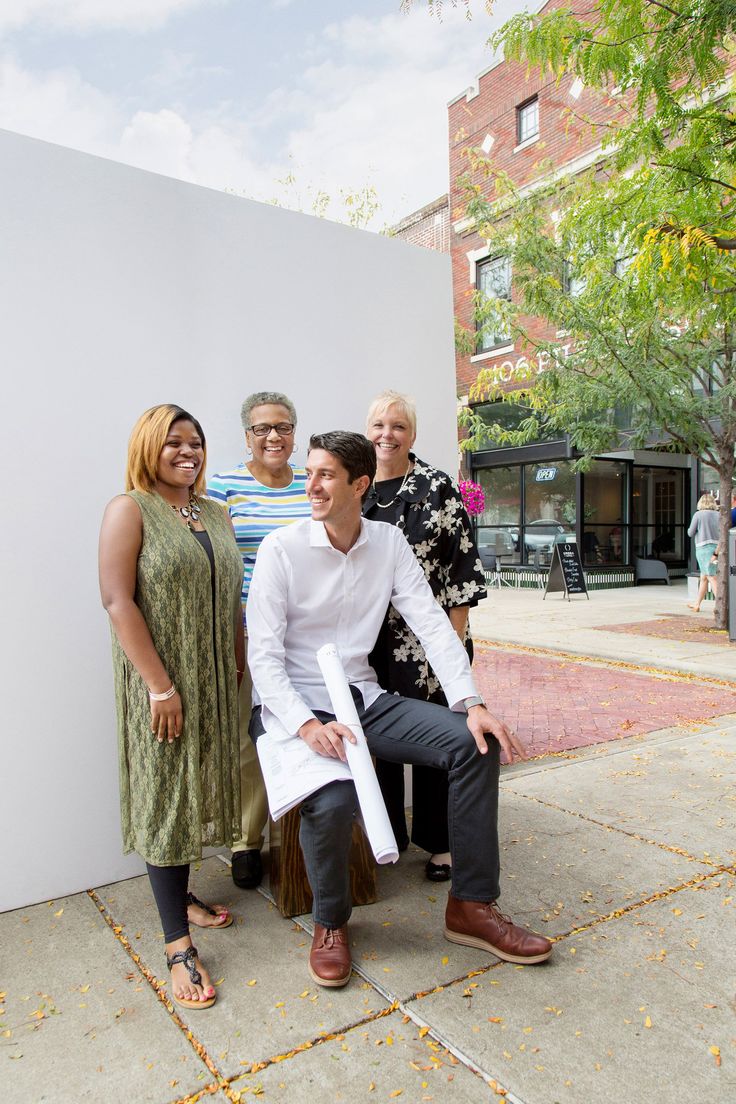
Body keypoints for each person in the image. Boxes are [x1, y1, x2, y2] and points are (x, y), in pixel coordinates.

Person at [246, 431, 552, 988]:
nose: (310, 485)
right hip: (293, 709)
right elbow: (263, 658)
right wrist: (307, 725)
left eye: (325, 475)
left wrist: (472, 702)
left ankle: (471, 907)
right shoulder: (281, 549)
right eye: (309, 472)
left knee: (473, 745)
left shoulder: (387, 543)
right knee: (335, 799)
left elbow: (432, 623)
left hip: (362, 699)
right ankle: (331, 924)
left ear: (360, 485)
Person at [99, 404, 244, 1011]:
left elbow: (232, 593)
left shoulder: (213, 512)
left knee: (196, 788)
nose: (189, 452)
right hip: (163, 685)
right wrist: (160, 685)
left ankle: (183, 895)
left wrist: (240, 659)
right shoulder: (129, 509)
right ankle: (175, 943)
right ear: (147, 448)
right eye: (174, 443)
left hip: (213, 681)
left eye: (197, 442)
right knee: (167, 795)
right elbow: (117, 601)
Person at [362, 391, 486, 882]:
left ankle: (440, 843)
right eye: (378, 424)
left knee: (439, 741)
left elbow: (460, 572)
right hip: (371, 643)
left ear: (412, 434)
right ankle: (387, 834)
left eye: (397, 426)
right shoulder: (361, 488)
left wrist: (451, 648)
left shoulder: (436, 487)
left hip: (432, 641)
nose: (386, 434)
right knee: (381, 740)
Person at [208, 391, 310, 891]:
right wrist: (234, 636)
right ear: (246, 435)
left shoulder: (312, 484)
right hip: (249, 632)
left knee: (307, 730)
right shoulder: (224, 486)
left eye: (283, 427)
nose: (273, 437)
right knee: (254, 736)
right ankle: (246, 841)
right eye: (262, 428)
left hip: (308, 634)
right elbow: (223, 570)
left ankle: (295, 839)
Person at [687, 493, 720, 613]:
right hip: (716, 548)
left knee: (712, 577)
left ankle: (720, 606)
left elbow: (690, 533)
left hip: (703, 549)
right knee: (704, 578)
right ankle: (697, 604)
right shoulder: (718, 514)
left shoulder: (698, 514)